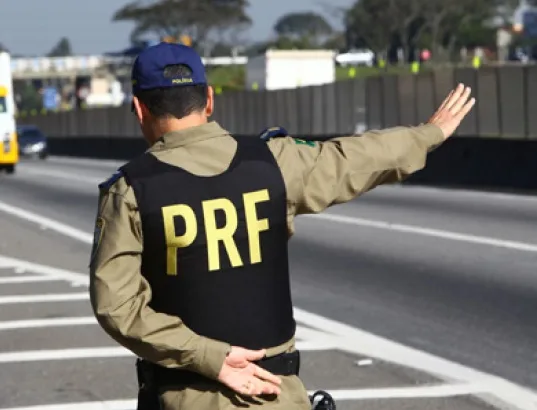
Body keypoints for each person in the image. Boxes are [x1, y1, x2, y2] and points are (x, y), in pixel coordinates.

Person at [89, 42, 475, 410]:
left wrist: (213, 358)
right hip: (277, 394)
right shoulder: (272, 161)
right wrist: (429, 133)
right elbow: (355, 158)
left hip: (189, 394)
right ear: (209, 99)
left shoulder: (131, 192)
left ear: (139, 109)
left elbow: (117, 306)